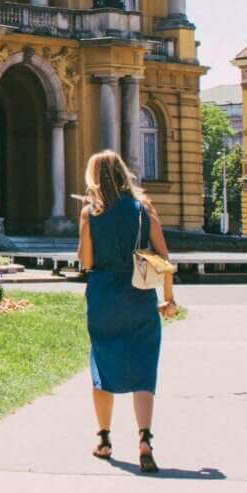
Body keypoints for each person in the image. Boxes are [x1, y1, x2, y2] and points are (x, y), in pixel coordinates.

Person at [78, 148, 181, 473]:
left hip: (103, 298)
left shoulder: (90, 213)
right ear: (123, 174)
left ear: (95, 178)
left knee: (102, 367)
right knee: (143, 370)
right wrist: (168, 298)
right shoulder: (142, 210)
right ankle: (145, 439)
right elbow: (164, 259)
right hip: (138, 297)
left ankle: (104, 439)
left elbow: (86, 261)